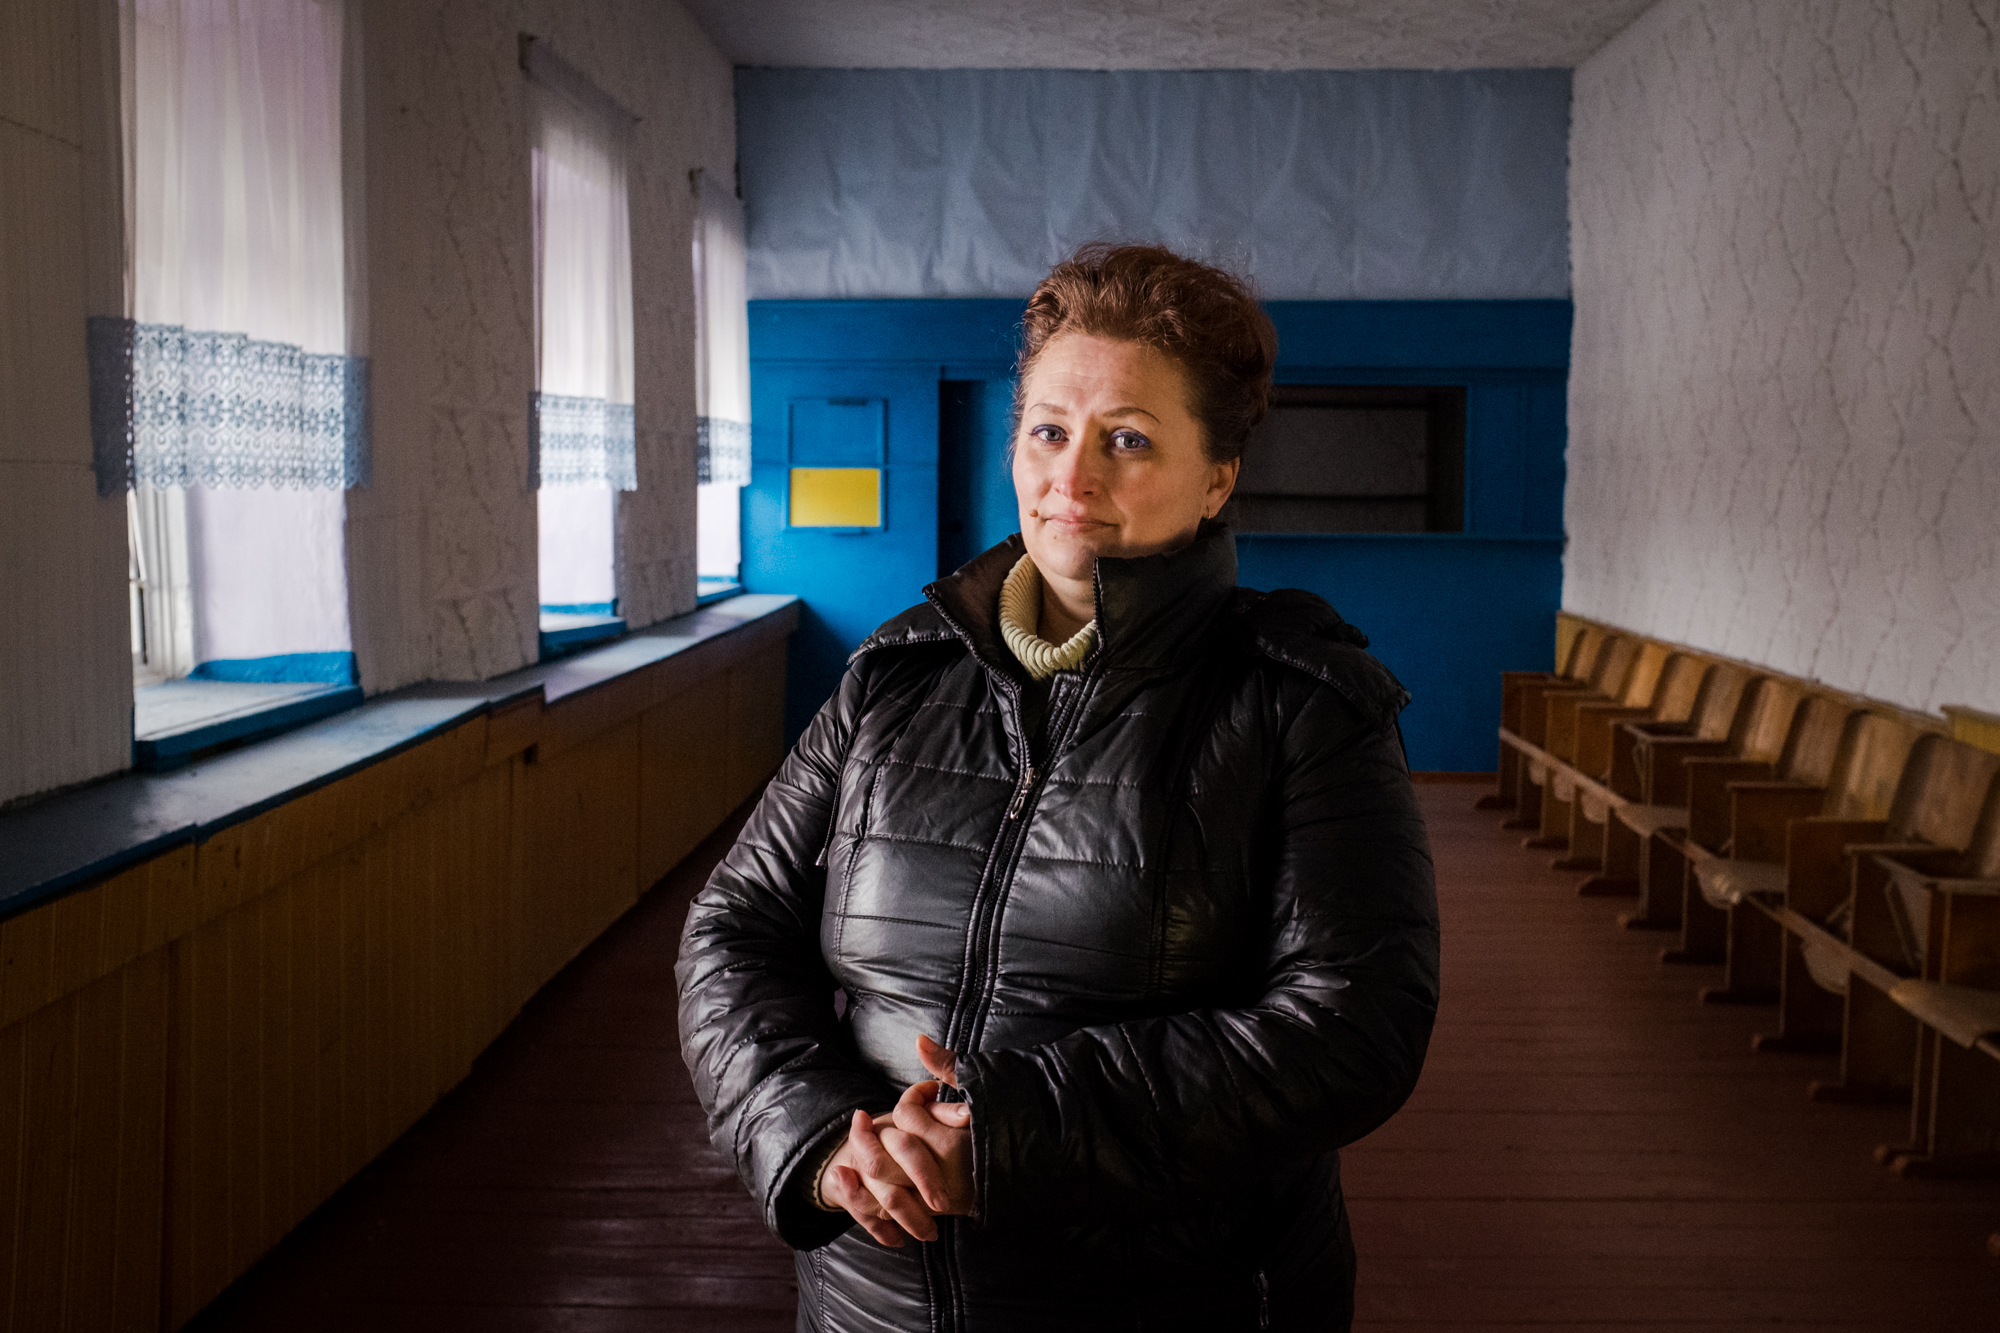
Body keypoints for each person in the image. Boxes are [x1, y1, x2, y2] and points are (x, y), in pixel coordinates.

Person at [677, 243, 1439, 1332]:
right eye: (1047, 429)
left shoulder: (1302, 705)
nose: (1069, 479)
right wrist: (814, 1134)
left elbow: (1352, 1026)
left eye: (1126, 439)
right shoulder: (896, 677)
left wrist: (1004, 1134)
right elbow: (732, 925)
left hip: (1175, 1297)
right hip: (868, 1299)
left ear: (1217, 476)